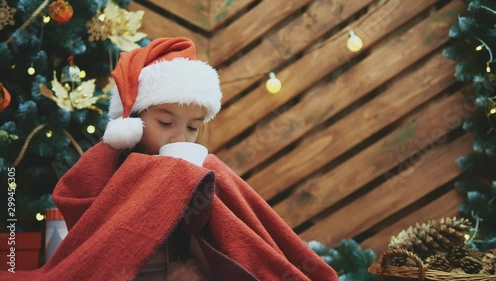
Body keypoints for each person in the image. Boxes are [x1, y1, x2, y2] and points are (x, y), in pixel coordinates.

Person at [0, 37, 338, 281]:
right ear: (133, 121)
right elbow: (77, 202)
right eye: (165, 122)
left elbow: (229, 230)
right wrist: (145, 182)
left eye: (192, 127)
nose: (179, 137)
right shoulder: (110, 161)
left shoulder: (201, 166)